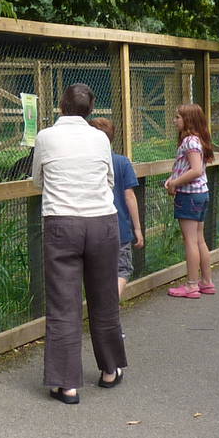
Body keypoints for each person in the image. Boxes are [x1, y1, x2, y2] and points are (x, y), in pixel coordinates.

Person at [31, 83, 127, 401]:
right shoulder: (100, 138)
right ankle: (110, 369)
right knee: (104, 299)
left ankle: (67, 383)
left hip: (61, 222)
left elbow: (38, 181)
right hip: (102, 223)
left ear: (61, 105)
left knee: (63, 303)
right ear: (91, 109)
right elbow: (110, 180)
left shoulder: (45, 137)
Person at [163, 103, 217, 297]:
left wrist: (175, 183)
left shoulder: (189, 141)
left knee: (190, 241)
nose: (175, 120)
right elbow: (188, 167)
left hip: (189, 196)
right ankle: (206, 281)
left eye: (178, 117)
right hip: (201, 194)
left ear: (188, 121)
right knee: (199, 239)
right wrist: (173, 178)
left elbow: (196, 170)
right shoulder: (198, 140)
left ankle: (192, 284)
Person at [90, 117, 143, 300]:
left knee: (98, 271)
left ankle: (102, 304)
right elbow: (129, 196)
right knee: (122, 270)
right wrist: (137, 228)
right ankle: (110, 304)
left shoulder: (88, 164)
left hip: (93, 226)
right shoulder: (122, 162)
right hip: (120, 227)